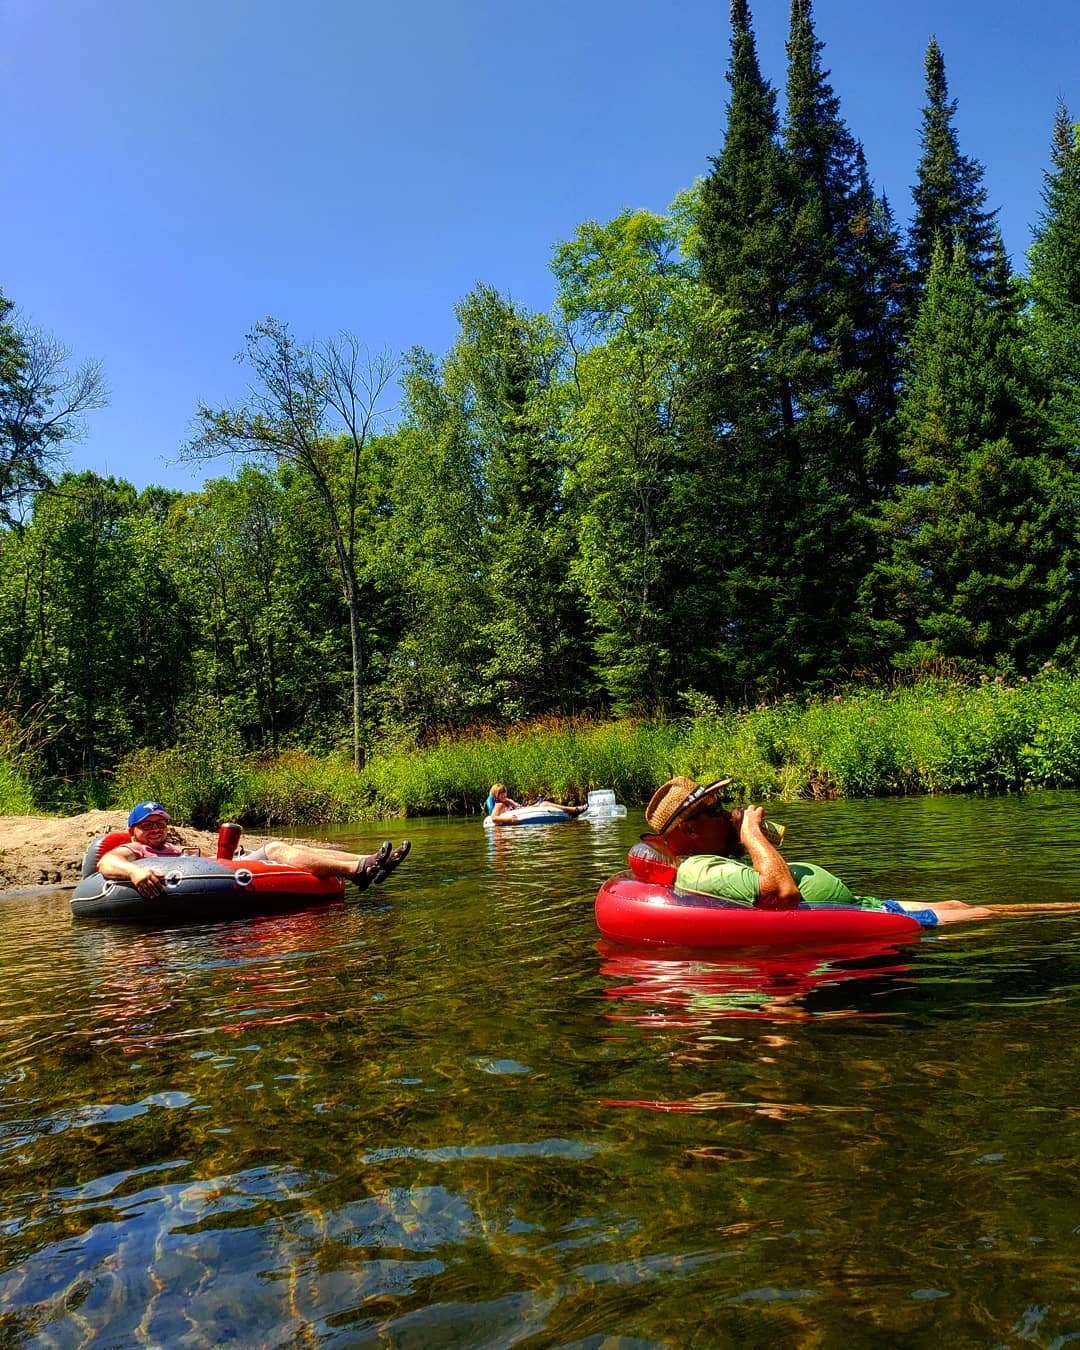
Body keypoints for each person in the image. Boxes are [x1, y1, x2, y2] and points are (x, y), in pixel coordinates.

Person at [639, 777, 1080, 928]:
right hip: (863, 921)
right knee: (979, 914)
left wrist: (745, 840)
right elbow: (781, 894)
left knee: (960, 903)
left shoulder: (713, 856)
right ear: (690, 829)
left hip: (866, 905)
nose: (727, 813)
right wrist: (752, 832)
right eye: (716, 810)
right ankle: (1066, 912)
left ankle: (1068, 907)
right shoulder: (699, 870)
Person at [98, 801, 411, 902]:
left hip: (222, 868)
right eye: (147, 825)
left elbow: (208, 863)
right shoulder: (134, 848)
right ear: (134, 830)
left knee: (293, 848)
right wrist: (135, 872)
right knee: (274, 847)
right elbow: (108, 862)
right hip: (218, 879)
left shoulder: (173, 847)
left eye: (160, 823)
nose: (155, 829)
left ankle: (367, 861)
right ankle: (359, 870)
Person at [485, 783, 587, 823]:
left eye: (504, 792)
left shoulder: (508, 801)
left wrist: (535, 805)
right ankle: (573, 810)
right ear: (496, 795)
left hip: (523, 812)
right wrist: (510, 819)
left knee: (543, 803)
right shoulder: (499, 805)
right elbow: (494, 818)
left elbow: (521, 808)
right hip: (515, 820)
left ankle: (572, 811)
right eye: (500, 793)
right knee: (545, 804)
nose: (503, 794)